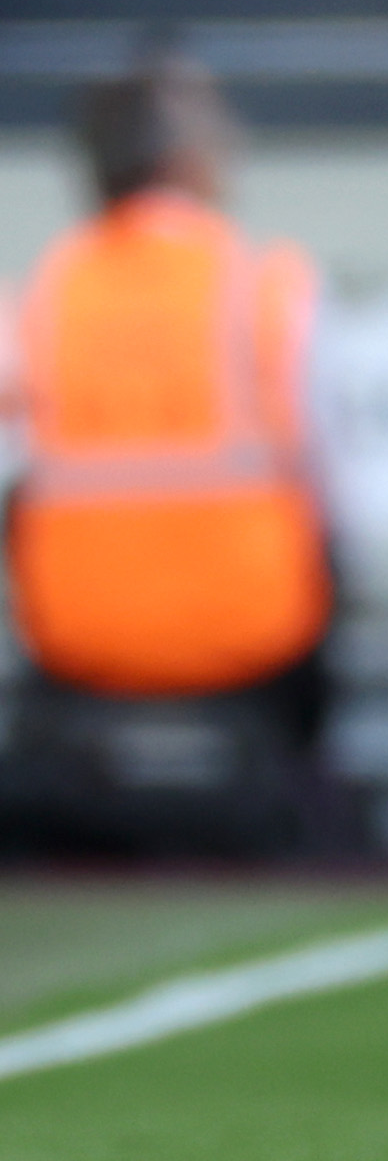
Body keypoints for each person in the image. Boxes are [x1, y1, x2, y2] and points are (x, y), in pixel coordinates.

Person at [1, 64, 328, 846]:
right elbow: (331, 472)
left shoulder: (42, 292)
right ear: (188, 160)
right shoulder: (265, 283)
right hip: (252, 636)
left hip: (79, 638)